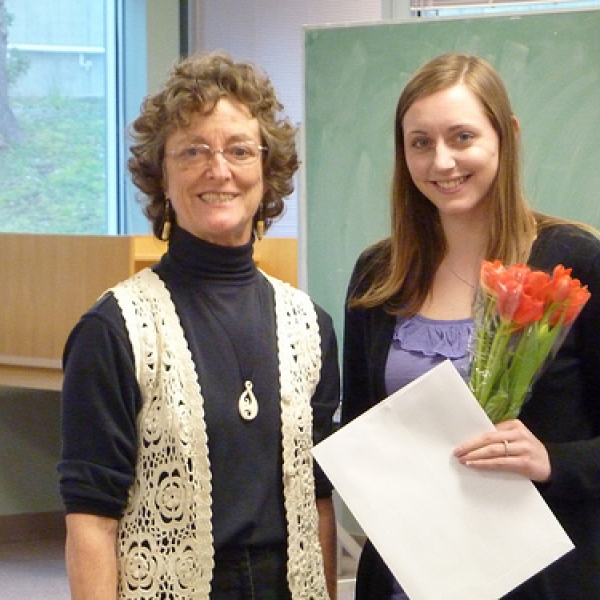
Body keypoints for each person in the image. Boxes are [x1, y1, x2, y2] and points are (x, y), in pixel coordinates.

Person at [58, 51, 340, 600]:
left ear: (267, 170)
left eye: (239, 150)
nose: (219, 170)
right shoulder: (114, 329)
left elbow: (319, 500)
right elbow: (90, 520)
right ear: (161, 173)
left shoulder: (310, 323)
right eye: (193, 151)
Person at [342, 52, 600, 599]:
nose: (442, 162)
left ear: (506, 136)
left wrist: (554, 460)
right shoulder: (379, 276)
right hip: (405, 580)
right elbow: (363, 432)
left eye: (462, 137)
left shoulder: (573, 261)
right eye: (420, 143)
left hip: (540, 582)